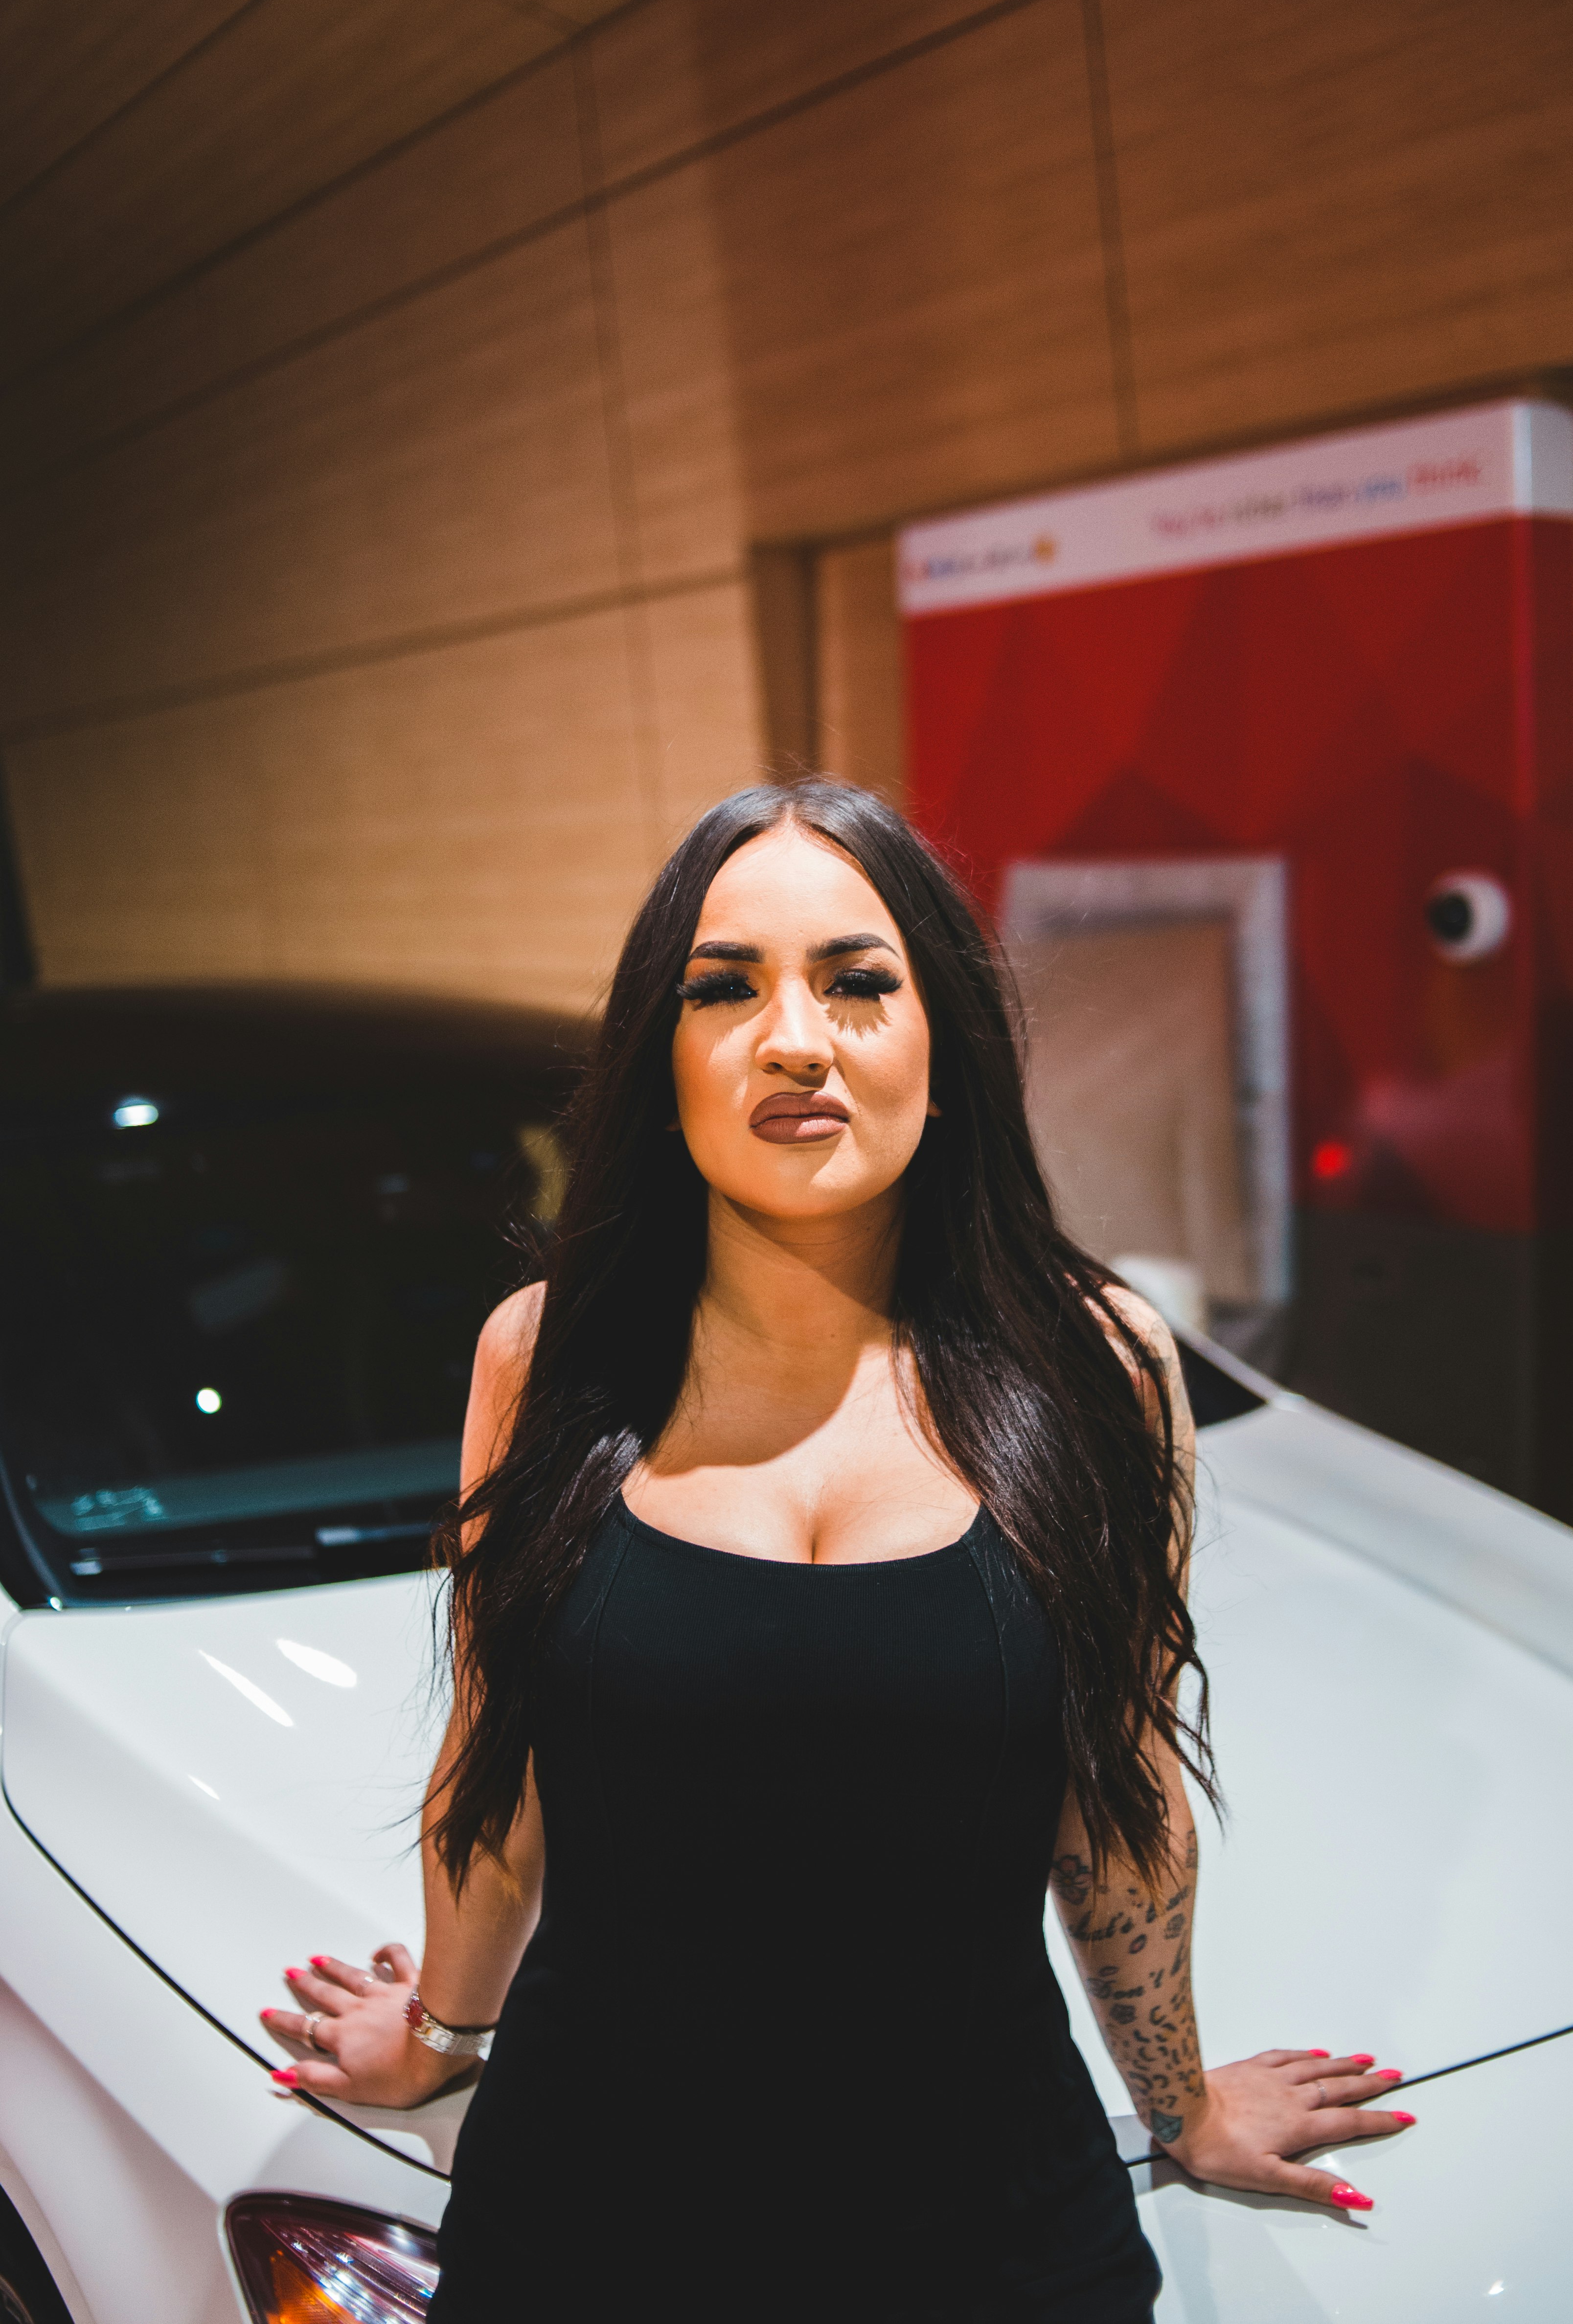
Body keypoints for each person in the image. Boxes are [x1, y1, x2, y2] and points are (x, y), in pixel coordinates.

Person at [263, 781, 1413, 2320]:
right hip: (594, 2223)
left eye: (860, 983)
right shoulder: (545, 1359)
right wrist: (439, 2043)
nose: (796, 1038)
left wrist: (1182, 2104)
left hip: (993, 2232)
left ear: (943, 1046)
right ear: (658, 1062)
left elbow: (1121, 1803)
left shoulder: (1098, 1367)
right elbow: (499, 1767)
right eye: (723, 989)